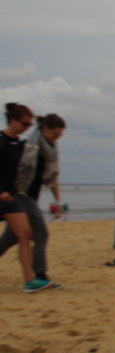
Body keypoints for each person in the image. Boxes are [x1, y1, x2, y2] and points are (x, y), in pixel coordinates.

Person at [0, 113, 66, 290]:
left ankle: (37, 276)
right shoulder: (29, 147)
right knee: (41, 234)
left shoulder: (49, 151)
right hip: (20, 195)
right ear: (44, 129)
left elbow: (52, 177)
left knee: (11, 237)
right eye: (54, 134)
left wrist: (58, 201)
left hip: (29, 197)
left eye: (60, 135)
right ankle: (39, 275)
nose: (57, 138)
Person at [0, 103, 38, 291]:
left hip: (10, 199)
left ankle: (29, 280)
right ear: (13, 120)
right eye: (24, 124)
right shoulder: (1, 140)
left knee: (25, 234)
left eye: (29, 125)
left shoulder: (21, 145)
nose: (26, 128)